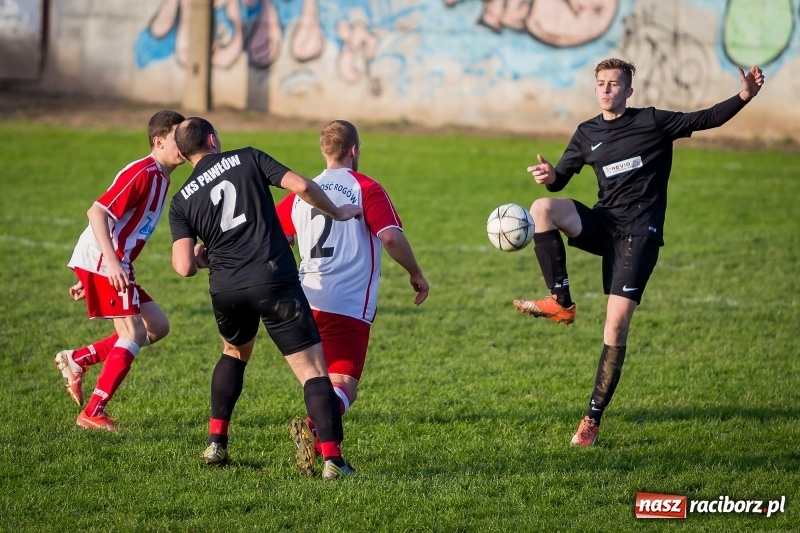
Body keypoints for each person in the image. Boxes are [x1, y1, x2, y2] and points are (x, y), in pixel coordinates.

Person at [513, 58, 765, 447]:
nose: (606, 90)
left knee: (614, 327)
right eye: (600, 83)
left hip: (639, 236)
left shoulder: (652, 122)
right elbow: (561, 177)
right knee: (542, 208)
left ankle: (591, 421)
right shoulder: (587, 132)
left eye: (614, 84)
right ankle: (561, 301)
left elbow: (706, 118)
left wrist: (745, 95)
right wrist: (549, 177)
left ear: (628, 90)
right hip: (605, 224)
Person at [168, 117, 363, 479]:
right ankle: (333, 461)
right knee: (314, 372)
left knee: (234, 352)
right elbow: (302, 185)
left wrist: (200, 253)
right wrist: (336, 211)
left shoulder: (181, 200)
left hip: (226, 289)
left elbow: (183, 267)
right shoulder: (247, 157)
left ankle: (216, 442)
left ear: (181, 153)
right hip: (273, 279)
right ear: (213, 138)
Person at [275, 119, 429, 476]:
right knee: (343, 386)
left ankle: (332, 460)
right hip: (346, 304)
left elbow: (278, 235)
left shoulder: (303, 190)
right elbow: (390, 237)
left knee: (319, 380)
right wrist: (416, 274)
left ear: (324, 151)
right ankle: (316, 432)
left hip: (304, 298)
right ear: (354, 150)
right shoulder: (367, 188)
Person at [54, 110, 186, 431]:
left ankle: (79, 359)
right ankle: (93, 412)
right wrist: (107, 264)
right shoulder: (142, 172)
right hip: (108, 260)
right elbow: (96, 212)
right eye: (177, 137)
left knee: (156, 326)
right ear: (158, 141)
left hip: (109, 262)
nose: (184, 143)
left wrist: (94, 273)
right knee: (133, 333)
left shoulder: (161, 176)